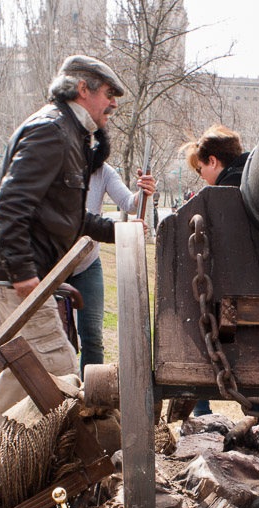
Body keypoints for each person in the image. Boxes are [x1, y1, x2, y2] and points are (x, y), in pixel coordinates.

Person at [0, 54, 154, 414]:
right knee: (60, 370)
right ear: (83, 89)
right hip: (12, 271)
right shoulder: (52, 131)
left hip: (16, 267)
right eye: (108, 93)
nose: (113, 103)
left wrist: (121, 229)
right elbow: (10, 206)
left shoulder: (71, 135)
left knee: (26, 361)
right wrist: (23, 274)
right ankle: (15, 454)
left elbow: (69, 216)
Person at [68, 128, 155, 374]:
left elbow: (128, 203)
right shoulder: (56, 169)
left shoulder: (104, 172)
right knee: (58, 337)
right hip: (53, 263)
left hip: (87, 263)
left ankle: (90, 398)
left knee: (92, 336)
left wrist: (143, 191)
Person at [180, 125, 248, 417]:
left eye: (200, 169)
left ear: (212, 161)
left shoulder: (219, 194)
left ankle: (201, 412)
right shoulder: (254, 179)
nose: (202, 177)